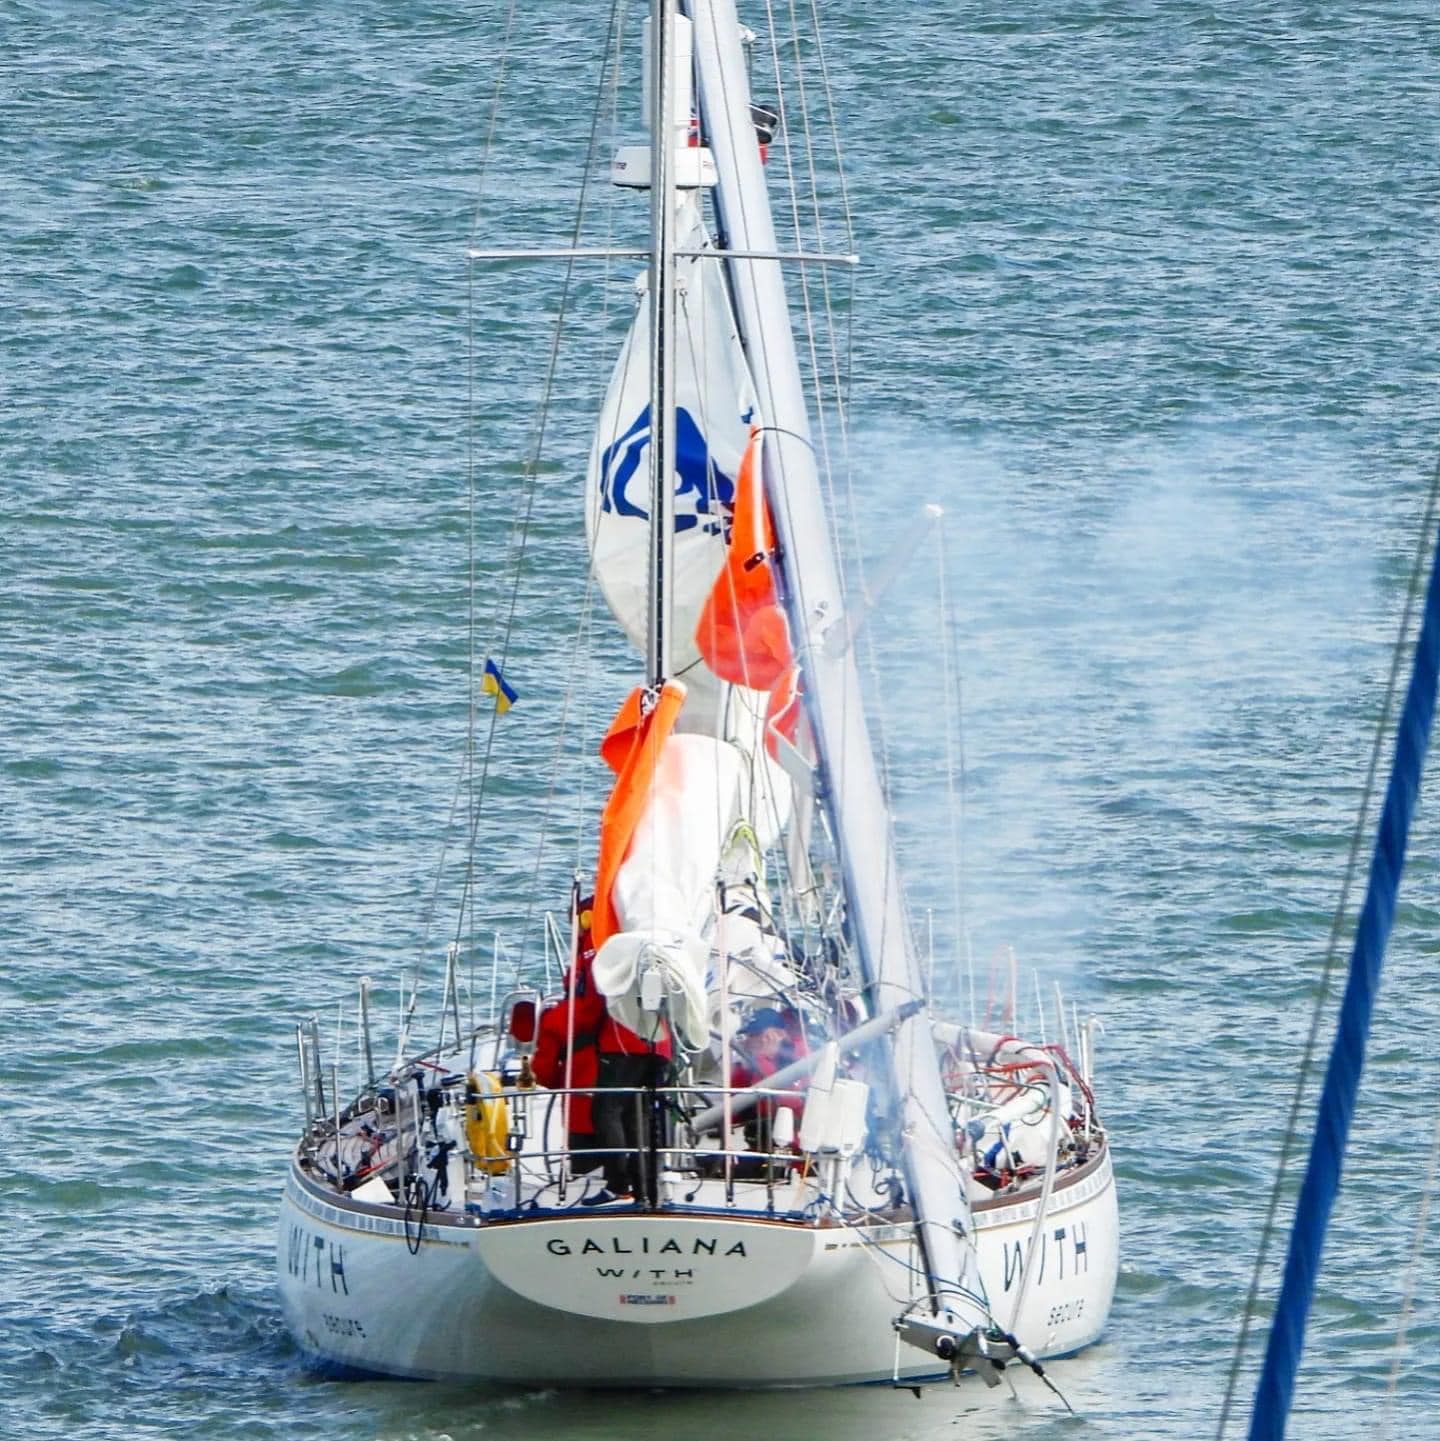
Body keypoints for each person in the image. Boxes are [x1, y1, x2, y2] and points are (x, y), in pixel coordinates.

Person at [729, 1006, 804, 1164]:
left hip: (796, 1154)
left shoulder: (797, 1060)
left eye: (753, 1035)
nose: (747, 1041)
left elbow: (784, 1103)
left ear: (770, 1036)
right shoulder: (747, 1067)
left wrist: (761, 1059)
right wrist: (741, 1068)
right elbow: (730, 1113)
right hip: (761, 1147)